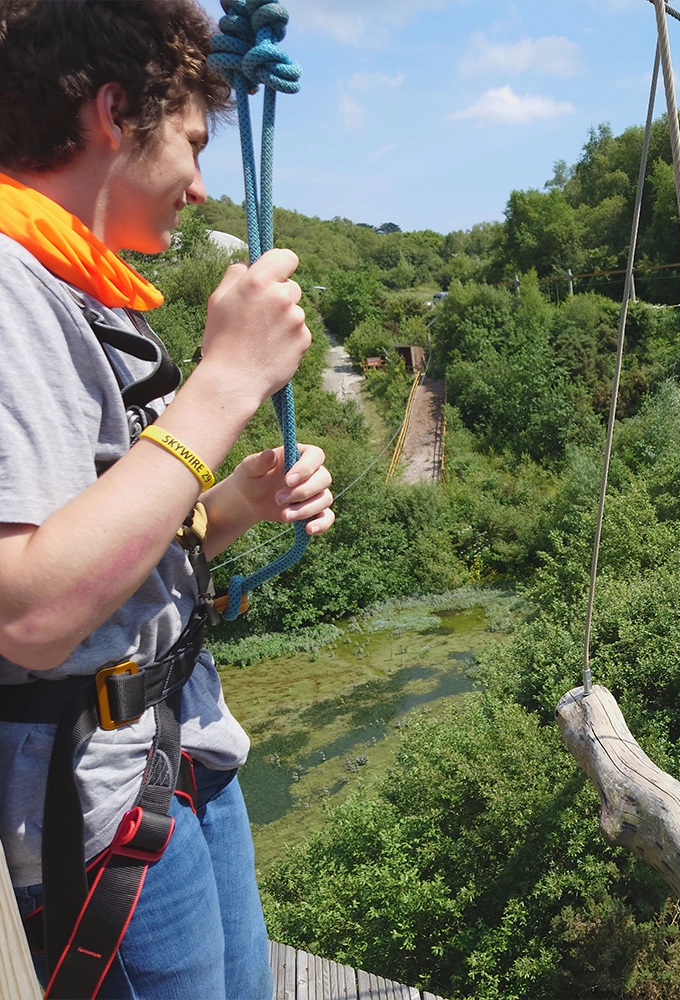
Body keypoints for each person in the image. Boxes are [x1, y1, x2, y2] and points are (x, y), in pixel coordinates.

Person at [0, 3, 334, 998]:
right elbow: (29, 609)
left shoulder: (67, 285)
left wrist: (228, 503)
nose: (198, 183)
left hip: (169, 744)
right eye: (189, 141)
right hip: (97, 792)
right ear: (113, 112)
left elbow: (98, 533)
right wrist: (224, 385)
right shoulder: (10, 289)